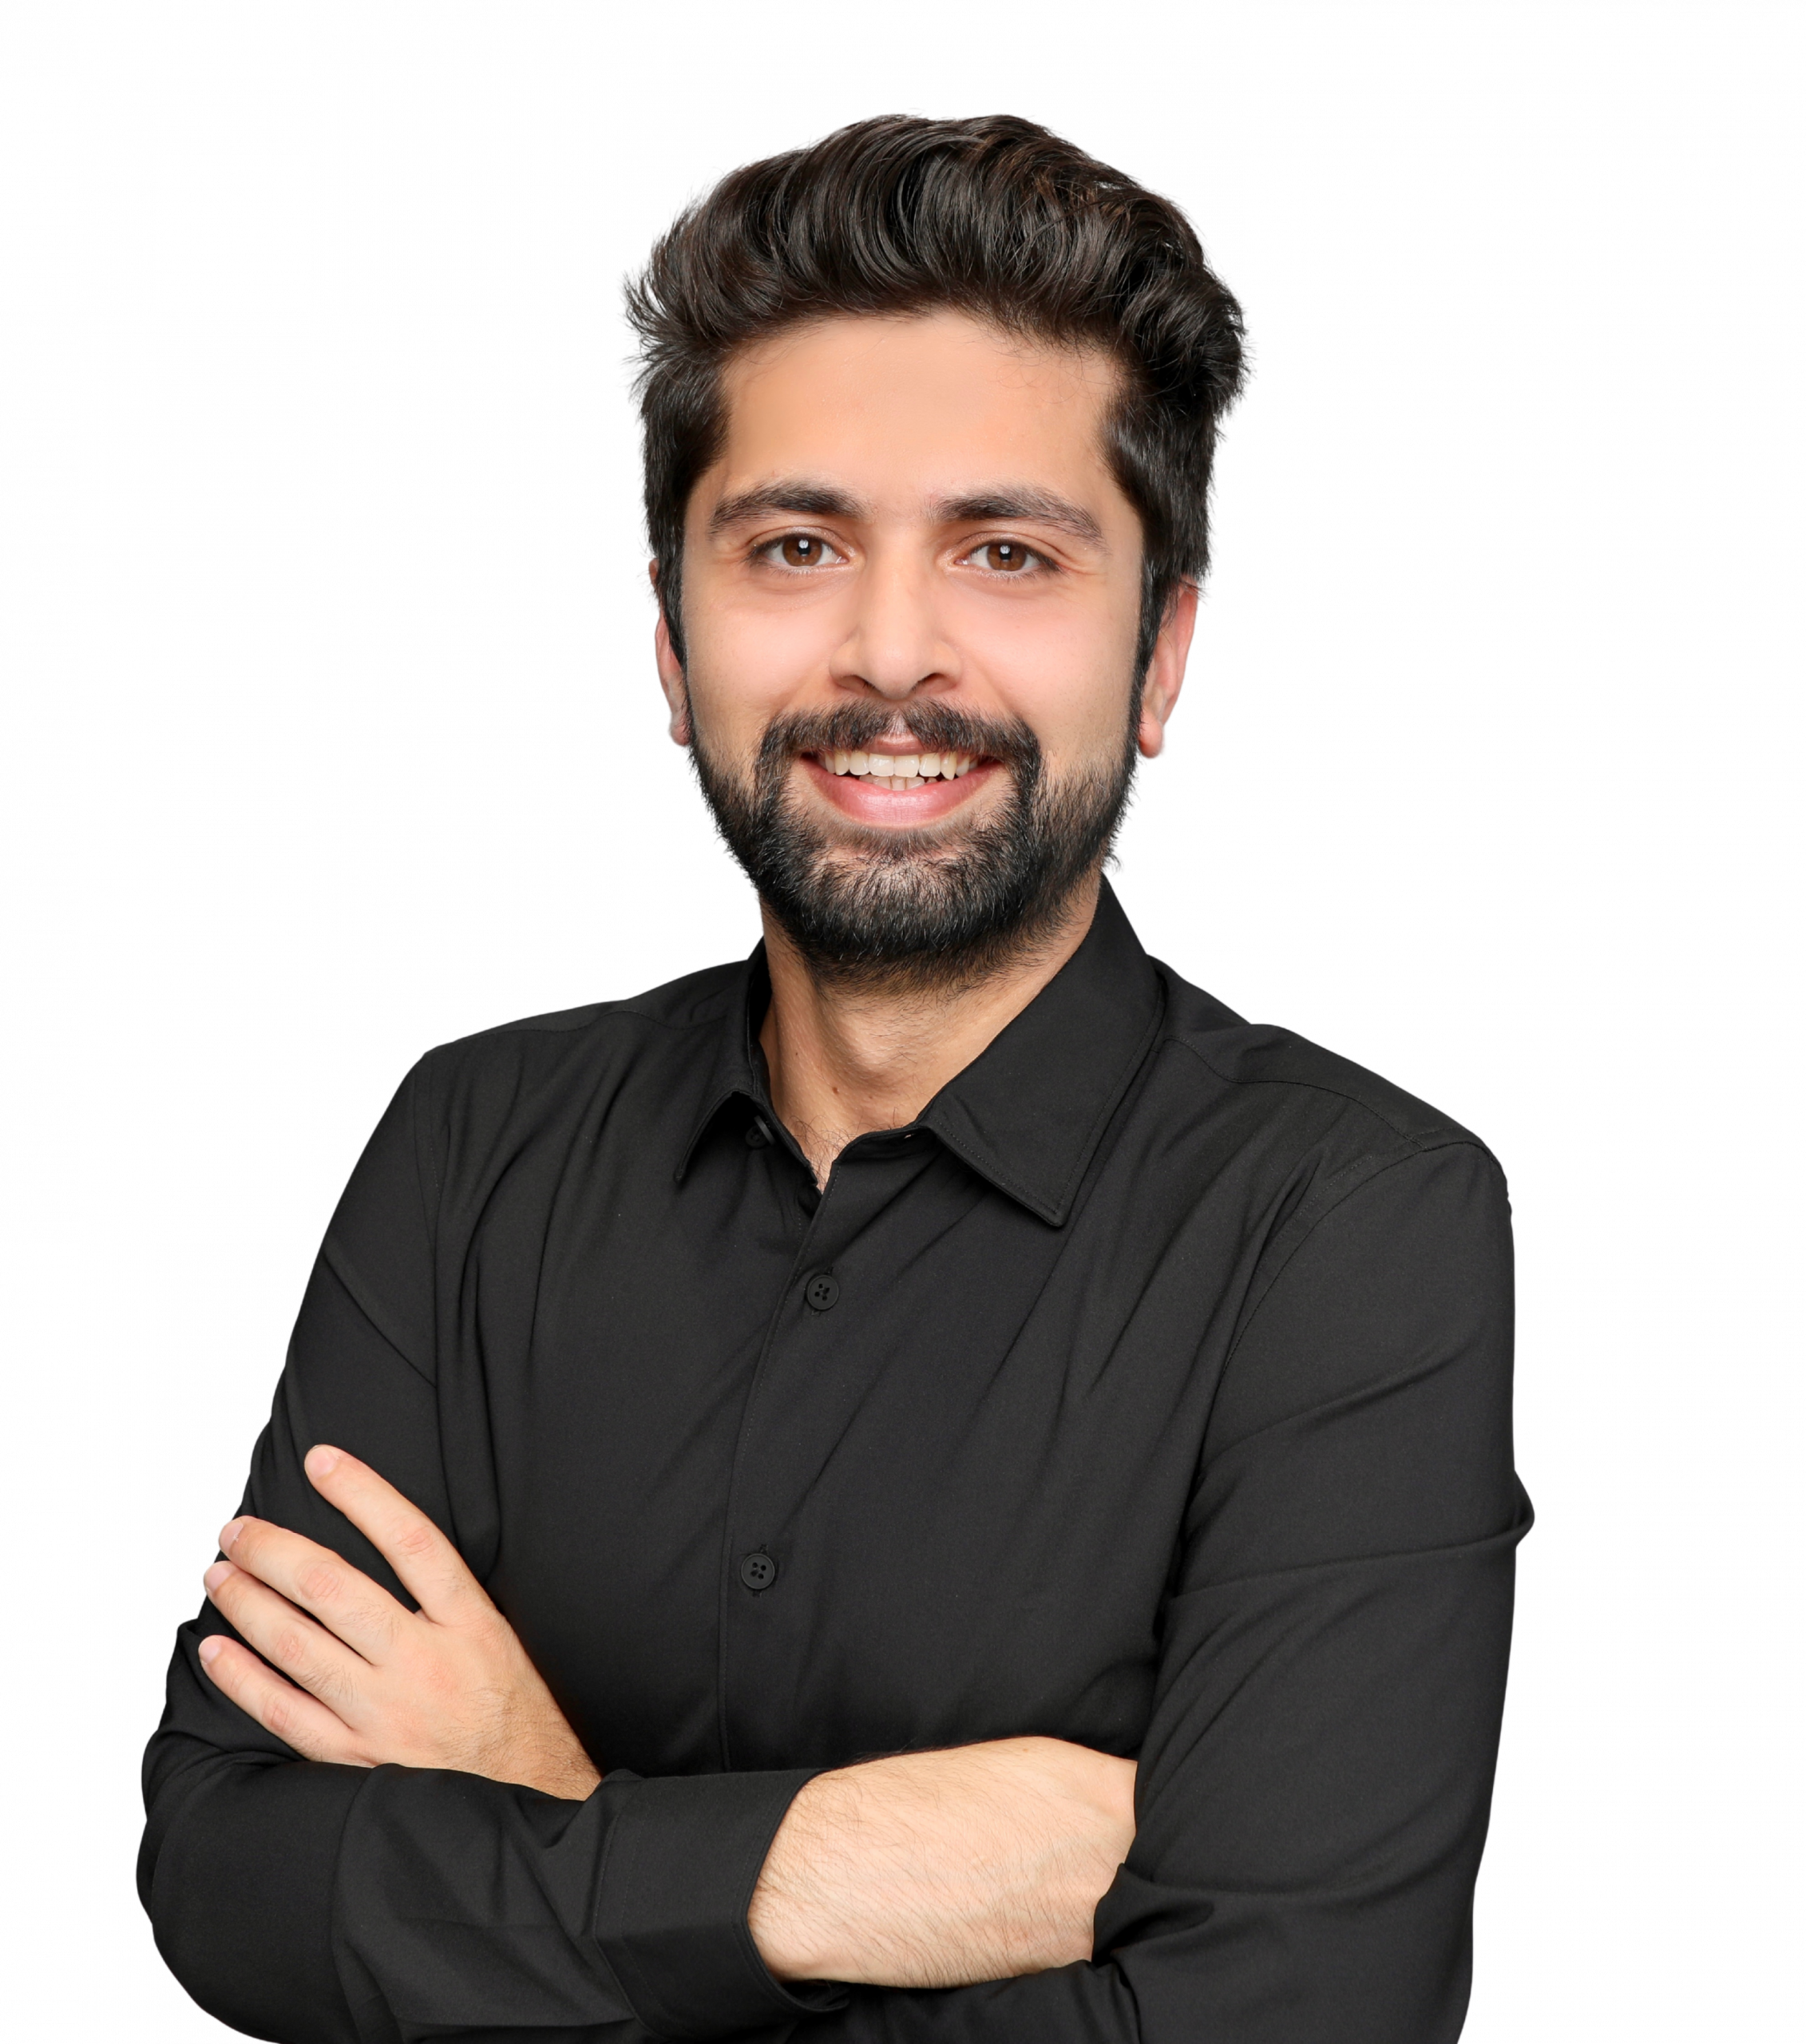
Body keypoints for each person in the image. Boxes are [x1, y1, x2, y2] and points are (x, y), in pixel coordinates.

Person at [141, 111, 1529, 2042]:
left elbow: (1301, 2012)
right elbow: (232, 1875)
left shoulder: (1353, 1222)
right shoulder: (469, 1142)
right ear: (667, 640)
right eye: (795, 546)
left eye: (1007, 552)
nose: (891, 656)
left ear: (1162, 659)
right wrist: (829, 1866)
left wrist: (548, 1813)